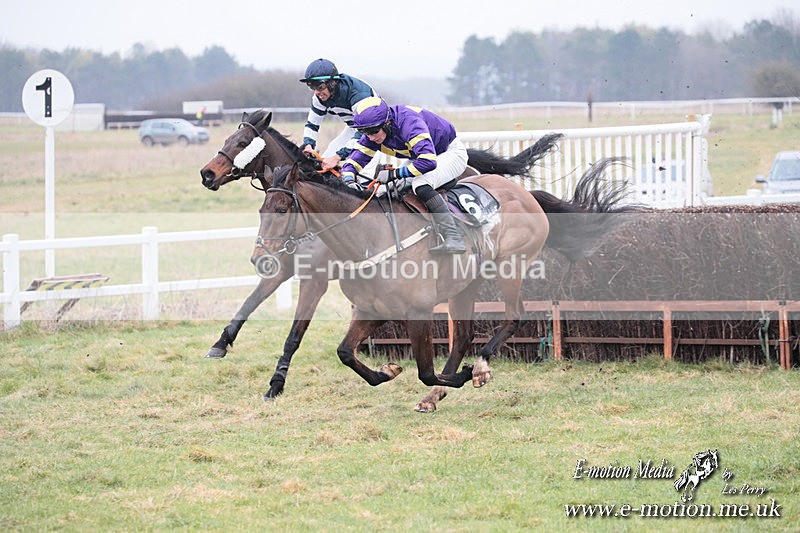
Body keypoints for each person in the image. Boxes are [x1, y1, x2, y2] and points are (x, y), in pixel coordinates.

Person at [340, 96, 468, 255]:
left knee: (421, 184)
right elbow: (353, 162)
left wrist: (394, 174)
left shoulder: (409, 123)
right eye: (364, 132)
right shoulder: (373, 130)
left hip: (449, 153)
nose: (371, 137)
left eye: (373, 131)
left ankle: (453, 236)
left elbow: (428, 162)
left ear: (386, 123)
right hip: (419, 158)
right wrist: (348, 179)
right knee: (383, 191)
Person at [299, 59, 378, 175]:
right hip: (355, 128)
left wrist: (338, 156)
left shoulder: (358, 94)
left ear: (333, 83)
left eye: (320, 86)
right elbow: (312, 124)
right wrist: (308, 144)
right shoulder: (319, 97)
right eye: (312, 86)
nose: (316, 92)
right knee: (324, 167)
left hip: (375, 133)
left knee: (363, 176)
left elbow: (364, 134)